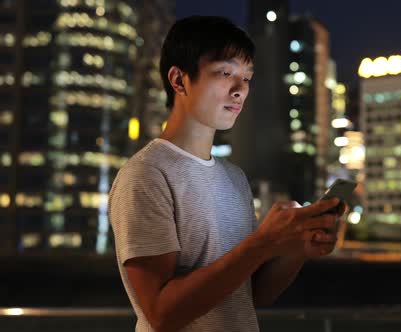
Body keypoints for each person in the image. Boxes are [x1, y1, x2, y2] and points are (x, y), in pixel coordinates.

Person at [108, 15, 344, 332]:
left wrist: (294, 248)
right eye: (225, 73)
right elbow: (162, 314)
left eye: (246, 78)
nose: (239, 90)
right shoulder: (145, 175)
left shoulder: (234, 178)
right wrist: (264, 242)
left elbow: (252, 294)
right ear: (179, 80)